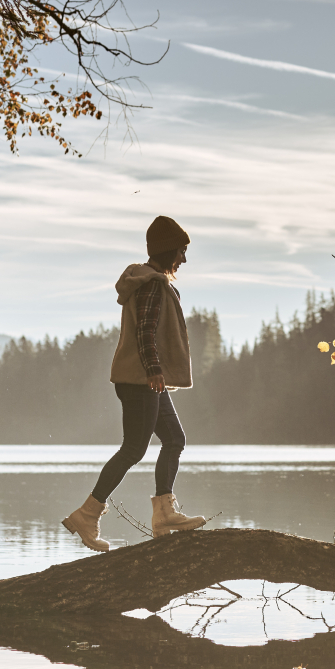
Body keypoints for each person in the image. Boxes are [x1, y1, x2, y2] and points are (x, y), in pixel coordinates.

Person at [63, 216, 209, 550]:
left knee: (174, 439)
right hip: (141, 378)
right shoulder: (152, 284)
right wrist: (154, 369)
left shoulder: (151, 282)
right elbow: (145, 331)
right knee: (134, 449)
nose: (184, 259)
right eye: (181, 251)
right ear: (168, 250)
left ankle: (164, 513)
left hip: (144, 378)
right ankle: (87, 514)